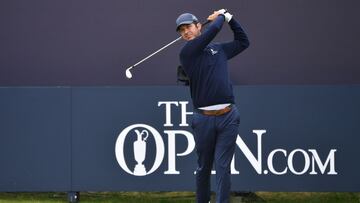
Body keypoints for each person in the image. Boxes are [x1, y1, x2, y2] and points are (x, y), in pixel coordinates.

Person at [176, 9, 250, 203]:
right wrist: (221, 16)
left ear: (198, 26)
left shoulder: (219, 50)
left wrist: (231, 19)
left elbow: (244, 42)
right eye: (182, 30)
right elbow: (214, 29)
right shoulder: (187, 53)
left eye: (189, 27)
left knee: (223, 167)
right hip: (204, 119)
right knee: (204, 168)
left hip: (228, 116)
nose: (186, 32)